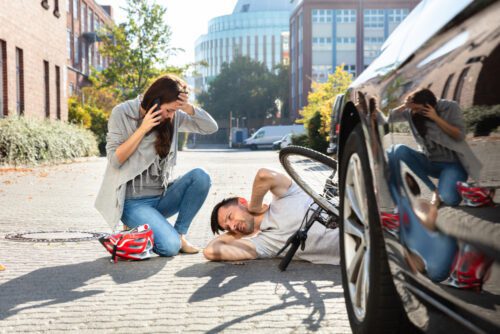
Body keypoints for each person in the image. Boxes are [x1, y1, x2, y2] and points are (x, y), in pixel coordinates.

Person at [95, 74, 218, 257]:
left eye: (174, 111)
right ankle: (135, 234)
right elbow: (115, 160)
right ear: (155, 101)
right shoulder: (122, 112)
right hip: (133, 203)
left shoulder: (172, 116)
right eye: (169, 110)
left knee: (201, 177)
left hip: (161, 197)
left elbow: (210, 127)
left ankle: (178, 234)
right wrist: (143, 129)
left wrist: (187, 108)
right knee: (169, 247)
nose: (171, 116)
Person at [386, 88, 482, 228]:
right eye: (413, 109)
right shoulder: (413, 111)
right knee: (398, 150)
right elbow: (391, 119)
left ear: (428, 105)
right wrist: (405, 106)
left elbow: (459, 135)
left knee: (450, 199)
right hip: (429, 162)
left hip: (452, 164)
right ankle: (434, 191)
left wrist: (435, 118)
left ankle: (460, 185)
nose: (414, 112)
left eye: (418, 108)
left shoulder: (450, 107)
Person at [203, 168, 339, 264]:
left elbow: (264, 175)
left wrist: (255, 206)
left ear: (242, 202)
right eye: (228, 228)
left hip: (352, 211)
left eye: (230, 217)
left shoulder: (284, 196)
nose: (232, 226)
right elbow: (210, 251)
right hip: (355, 248)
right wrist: (236, 234)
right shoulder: (265, 244)